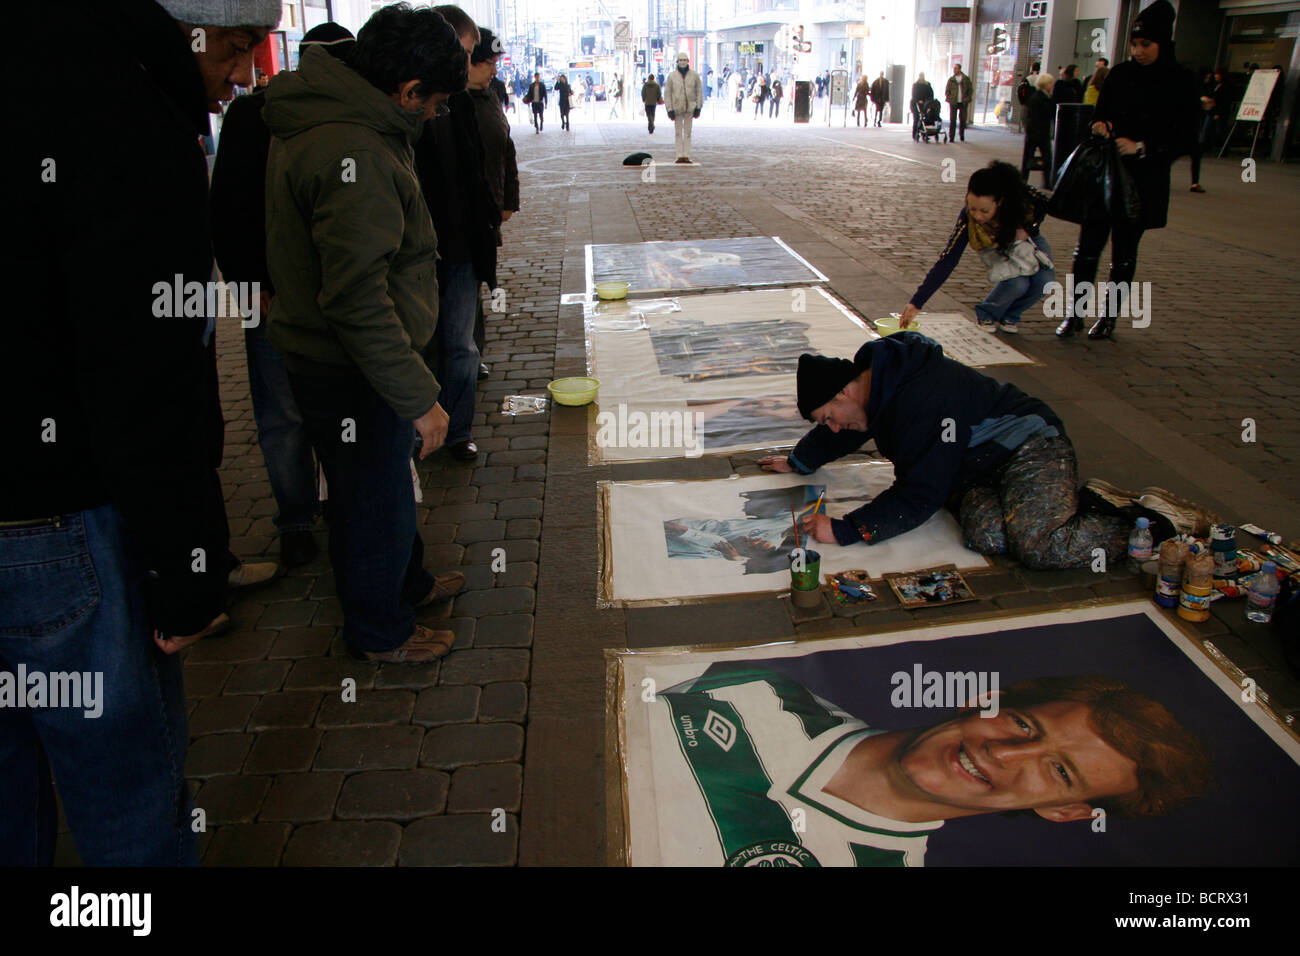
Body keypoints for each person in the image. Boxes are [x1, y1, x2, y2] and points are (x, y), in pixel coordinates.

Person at [6, 0, 282, 866]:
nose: (242, 77)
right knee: (123, 791)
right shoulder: (118, 101)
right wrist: (188, 573)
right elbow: (142, 365)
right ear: (190, 28)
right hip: (60, 524)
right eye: (238, 50)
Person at [263, 3, 468, 663]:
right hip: (350, 366)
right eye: (432, 103)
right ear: (406, 91)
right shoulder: (351, 145)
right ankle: (382, 631)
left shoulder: (348, 117)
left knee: (383, 486)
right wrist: (419, 397)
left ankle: (405, 586)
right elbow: (355, 297)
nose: (432, 116)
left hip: (352, 360)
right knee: (372, 497)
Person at [648, 663, 1212, 865]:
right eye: (1023, 726)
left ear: (1064, 811)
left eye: (1059, 771)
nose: (1005, 754)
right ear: (983, 701)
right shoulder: (754, 691)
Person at [755, 332, 1206, 570]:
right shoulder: (872, 388)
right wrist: (799, 462)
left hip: (1027, 445)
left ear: (846, 391)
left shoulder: (921, 398)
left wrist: (850, 529)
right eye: (823, 424)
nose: (832, 427)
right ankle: (1076, 503)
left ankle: (1152, 521)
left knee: (1039, 547)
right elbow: (846, 430)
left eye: (828, 416)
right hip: (973, 466)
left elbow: (921, 494)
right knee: (987, 537)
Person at [210, 23, 357, 571]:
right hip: (271, 299)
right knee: (282, 415)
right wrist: (253, 289)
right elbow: (226, 211)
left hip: (332, 299)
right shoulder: (254, 115)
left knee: (334, 412)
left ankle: (345, 510)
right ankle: (296, 520)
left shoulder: (348, 115)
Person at [1055, 0, 1197, 340]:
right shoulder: (1120, 74)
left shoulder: (1179, 80)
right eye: (1134, 44)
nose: (1138, 51)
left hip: (1143, 181)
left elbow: (1186, 136)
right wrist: (1100, 124)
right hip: (1104, 176)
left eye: (1145, 44)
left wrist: (1144, 147)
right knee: (1086, 249)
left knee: (1123, 254)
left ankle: (1108, 319)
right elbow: (1099, 112)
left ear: (1162, 43)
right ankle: (1075, 314)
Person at [415, 10, 495, 467]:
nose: (469, 64)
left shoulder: (462, 102)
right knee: (424, 346)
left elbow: (477, 171)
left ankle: (458, 430)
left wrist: (487, 227)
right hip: (420, 256)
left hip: (461, 247)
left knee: (461, 345)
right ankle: (422, 429)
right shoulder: (407, 106)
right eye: (465, 53)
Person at [902, 161, 1053, 336]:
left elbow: (1046, 203)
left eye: (984, 211)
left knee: (1044, 280)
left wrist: (1028, 229)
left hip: (1028, 239)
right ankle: (987, 313)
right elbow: (948, 259)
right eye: (973, 208)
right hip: (994, 241)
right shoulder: (969, 219)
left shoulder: (1020, 198)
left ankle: (1011, 315)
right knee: (1016, 283)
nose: (978, 216)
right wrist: (917, 302)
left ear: (999, 202)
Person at [465, 27, 519, 387]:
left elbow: (506, 149)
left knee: (475, 282)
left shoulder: (489, 97)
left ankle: (471, 353)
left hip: (487, 210)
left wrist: (508, 199)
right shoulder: (452, 103)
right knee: (463, 283)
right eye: (487, 63)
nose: (493, 70)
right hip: (464, 211)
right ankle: (463, 355)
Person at [664, 51, 703, 164]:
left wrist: (698, 107)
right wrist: (669, 108)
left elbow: (699, 92)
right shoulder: (672, 76)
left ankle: (686, 155)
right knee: (677, 132)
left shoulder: (694, 75)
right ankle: (679, 155)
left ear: (688, 61)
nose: (682, 62)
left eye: (685, 60)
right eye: (680, 60)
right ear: (677, 62)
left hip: (690, 108)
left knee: (688, 132)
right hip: (677, 108)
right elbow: (667, 93)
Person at [1021, 73, 1055, 186]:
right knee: (1037, 158)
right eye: (1051, 83)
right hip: (1038, 132)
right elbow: (1035, 116)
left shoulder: (1042, 96)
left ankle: (1027, 180)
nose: (1052, 85)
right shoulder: (1039, 98)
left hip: (1038, 132)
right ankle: (1043, 182)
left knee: (1033, 157)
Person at [945, 63, 973, 141]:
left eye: (956, 68)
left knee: (963, 120)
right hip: (953, 102)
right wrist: (949, 98)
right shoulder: (951, 80)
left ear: (960, 69)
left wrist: (967, 98)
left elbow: (970, 90)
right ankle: (951, 137)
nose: (954, 70)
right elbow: (947, 91)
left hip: (963, 102)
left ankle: (962, 134)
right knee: (952, 120)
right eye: (954, 68)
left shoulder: (966, 79)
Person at [910, 71, 933, 140]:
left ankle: (924, 133)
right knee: (916, 118)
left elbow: (931, 95)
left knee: (926, 118)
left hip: (925, 104)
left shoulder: (928, 84)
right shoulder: (915, 85)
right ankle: (915, 134)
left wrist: (928, 101)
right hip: (916, 104)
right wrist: (918, 100)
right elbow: (914, 95)